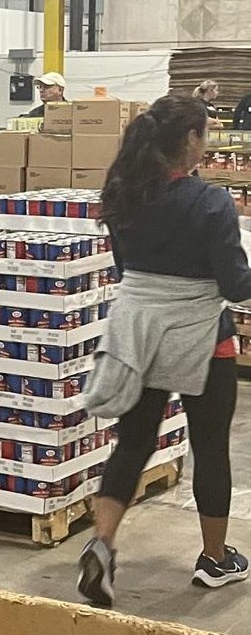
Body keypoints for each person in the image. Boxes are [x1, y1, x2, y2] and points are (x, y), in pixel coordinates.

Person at [78, 93, 249, 607]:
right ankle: (215, 559)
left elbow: (126, 270)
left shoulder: (124, 195)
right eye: (205, 135)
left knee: (132, 443)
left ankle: (101, 545)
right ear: (192, 141)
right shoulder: (211, 202)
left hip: (139, 333)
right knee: (211, 448)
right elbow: (237, 285)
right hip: (204, 337)